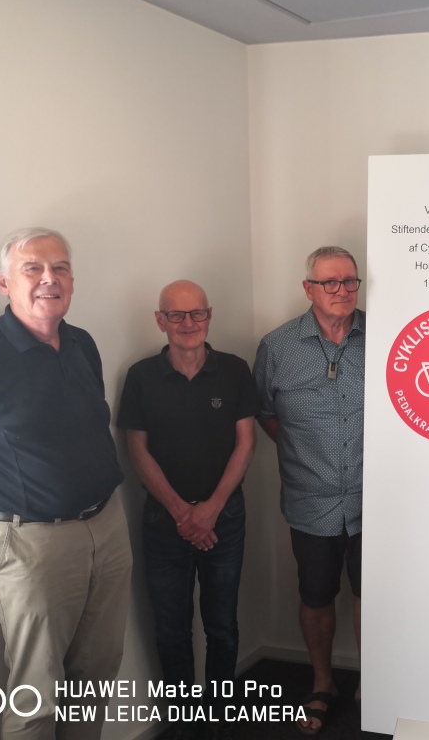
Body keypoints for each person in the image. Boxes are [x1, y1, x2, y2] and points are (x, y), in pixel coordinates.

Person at [0, 227, 132, 739]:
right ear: (4, 282)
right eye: (33, 268)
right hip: (30, 544)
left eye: (60, 267)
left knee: (96, 679)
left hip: (107, 527)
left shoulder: (82, 343)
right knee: (36, 697)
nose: (50, 278)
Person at [117, 280, 257, 740]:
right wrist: (183, 513)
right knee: (171, 630)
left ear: (209, 316)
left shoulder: (235, 370)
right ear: (160, 321)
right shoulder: (141, 376)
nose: (188, 323)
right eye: (176, 315)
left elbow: (246, 443)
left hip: (225, 519)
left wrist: (211, 509)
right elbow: (136, 449)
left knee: (222, 625)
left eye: (197, 313)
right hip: (164, 522)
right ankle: (182, 724)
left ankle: (219, 719)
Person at [254, 246, 364, 735]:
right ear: (308, 289)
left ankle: (374, 680)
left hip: (376, 497)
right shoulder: (277, 346)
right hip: (310, 498)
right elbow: (264, 412)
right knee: (316, 595)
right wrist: (305, 453)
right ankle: (323, 683)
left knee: (373, 593)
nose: (342, 291)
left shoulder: (384, 337)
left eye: (349, 281)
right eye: (330, 282)